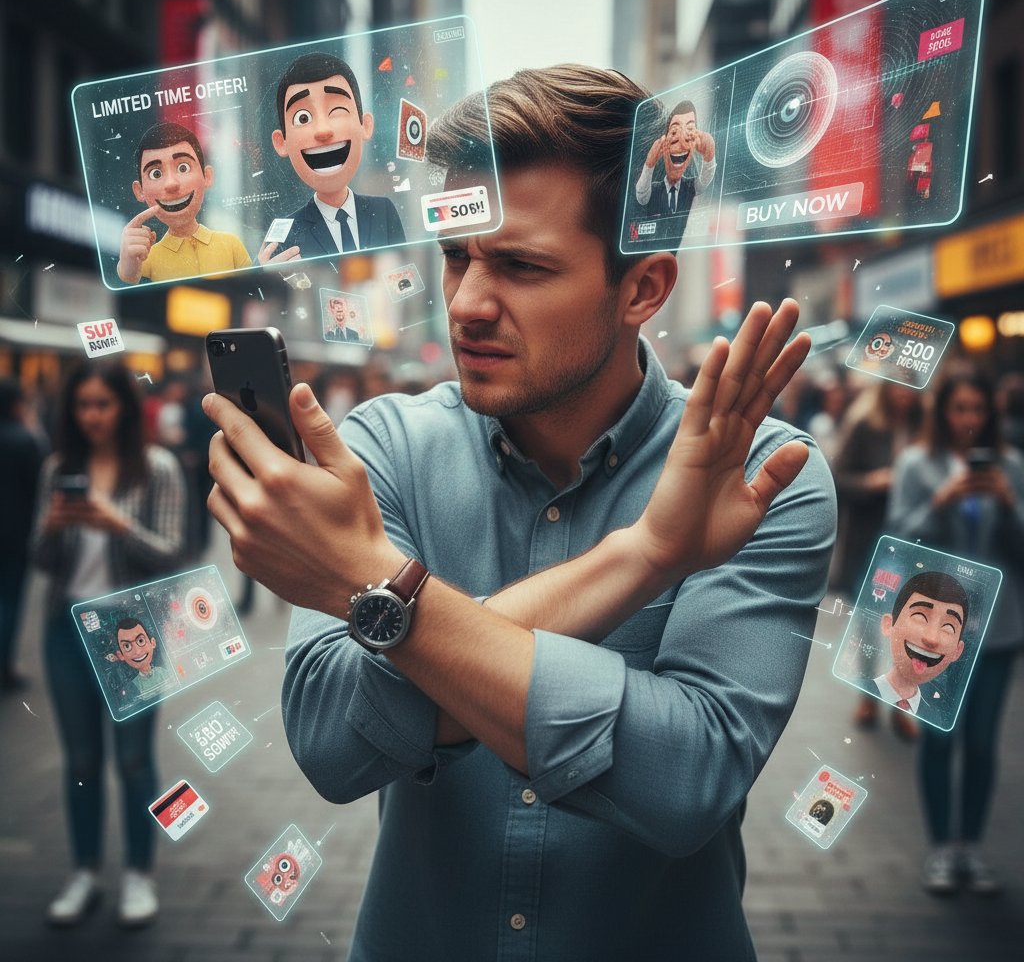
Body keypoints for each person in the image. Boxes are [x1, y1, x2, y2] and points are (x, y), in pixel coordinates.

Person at [203, 65, 836, 961]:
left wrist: (376, 593)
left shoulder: (762, 475)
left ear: (644, 290)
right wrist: (648, 555)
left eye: (522, 266)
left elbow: (687, 778)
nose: (465, 303)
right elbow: (329, 743)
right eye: (457, 254)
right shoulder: (382, 447)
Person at [31, 360, 186, 927]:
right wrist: (52, 525)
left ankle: (139, 875)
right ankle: (85, 872)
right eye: (82, 405)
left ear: (123, 406)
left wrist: (112, 521)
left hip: (133, 634)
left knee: (135, 759)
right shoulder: (57, 469)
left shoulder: (158, 469)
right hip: (65, 629)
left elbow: (172, 553)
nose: (92, 415)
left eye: (103, 404)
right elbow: (40, 561)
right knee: (81, 760)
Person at [887, 370, 1024, 896]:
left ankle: (971, 845)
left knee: (985, 743)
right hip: (938, 633)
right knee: (941, 737)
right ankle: (941, 847)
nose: (969, 419)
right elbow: (899, 535)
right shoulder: (918, 464)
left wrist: (1010, 504)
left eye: (978, 409)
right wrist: (940, 502)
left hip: (1000, 626)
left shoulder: (1010, 466)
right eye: (959, 408)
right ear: (942, 412)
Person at [832, 381, 922, 737]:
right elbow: (838, 477)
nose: (905, 395)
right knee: (870, 620)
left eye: (912, 388)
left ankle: (901, 704)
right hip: (872, 541)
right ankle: (869, 694)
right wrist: (873, 482)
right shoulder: (865, 423)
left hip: (913, 543)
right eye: (899, 388)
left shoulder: (927, 427)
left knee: (911, 628)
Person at [259, 52, 406, 264]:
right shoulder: (286, 232)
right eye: (303, 118)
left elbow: (406, 276)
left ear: (365, 125)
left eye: (337, 110)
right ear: (282, 142)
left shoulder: (383, 211)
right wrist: (262, 276)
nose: (323, 130)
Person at [116, 121, 251, 284]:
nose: (171, 184)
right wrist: (127, 268)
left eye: (183, 168)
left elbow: (253, 290)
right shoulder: (147, 259)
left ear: (207, 176)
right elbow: (127, 284)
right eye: (156, 174)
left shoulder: (231, 245)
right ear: (140, 191)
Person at [854, 570, 968, 717]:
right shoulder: (857, 688)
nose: (931, 638)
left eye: (948, 627)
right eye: (920, 616)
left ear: (957, 651)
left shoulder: (933, 717)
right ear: (888, 624)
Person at [0, 377, 44, 690]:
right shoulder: (24, 438)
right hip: (15, 533)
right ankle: (4, 666)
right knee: (9, 600)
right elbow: (41, 482)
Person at [634, 98, 716, 241]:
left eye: (690, 130)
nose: (682, 142)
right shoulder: (654, 189)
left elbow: (704, 182)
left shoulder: (690, 186)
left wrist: (709, 155)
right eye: (674, 132)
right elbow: (642, 196)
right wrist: (649, 164)